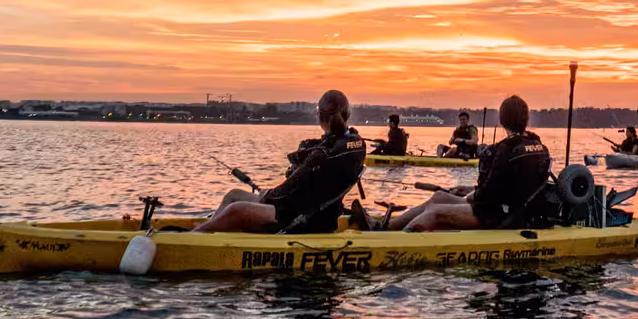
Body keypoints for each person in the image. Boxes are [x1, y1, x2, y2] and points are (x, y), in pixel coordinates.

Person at [356, 95, 554, 232]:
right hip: (510, 208)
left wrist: (471, 194)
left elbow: (487, 195)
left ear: (503, 121)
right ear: (525, 119)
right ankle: (384, 226)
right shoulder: (540, 147)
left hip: (501, 216)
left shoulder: (501, 150)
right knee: (439, 196)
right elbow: (508, 186)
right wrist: (467, 189)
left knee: (435, 211)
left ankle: (387, 243)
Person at [193, 91, 366, 234]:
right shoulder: (353, 144)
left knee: (235, 209)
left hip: (298, 219)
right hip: (296, 208)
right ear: (347, 114)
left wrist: (266, 196)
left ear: (320, 116)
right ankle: (210, 230)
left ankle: (198, 235)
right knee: (233, 195)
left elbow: (287, 189)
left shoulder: (322, 153)